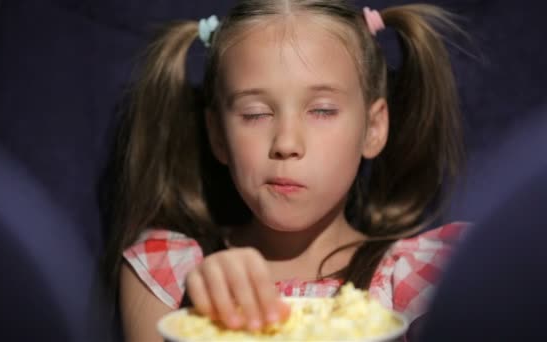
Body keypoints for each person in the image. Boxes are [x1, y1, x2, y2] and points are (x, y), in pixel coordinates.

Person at [105, 1, 467, 340]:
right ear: (217, 134)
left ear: (373, 129)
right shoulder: (167, 276)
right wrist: (204, 320)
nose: (286, 142)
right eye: (255, 114)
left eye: (322, 110)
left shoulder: (430, 280)